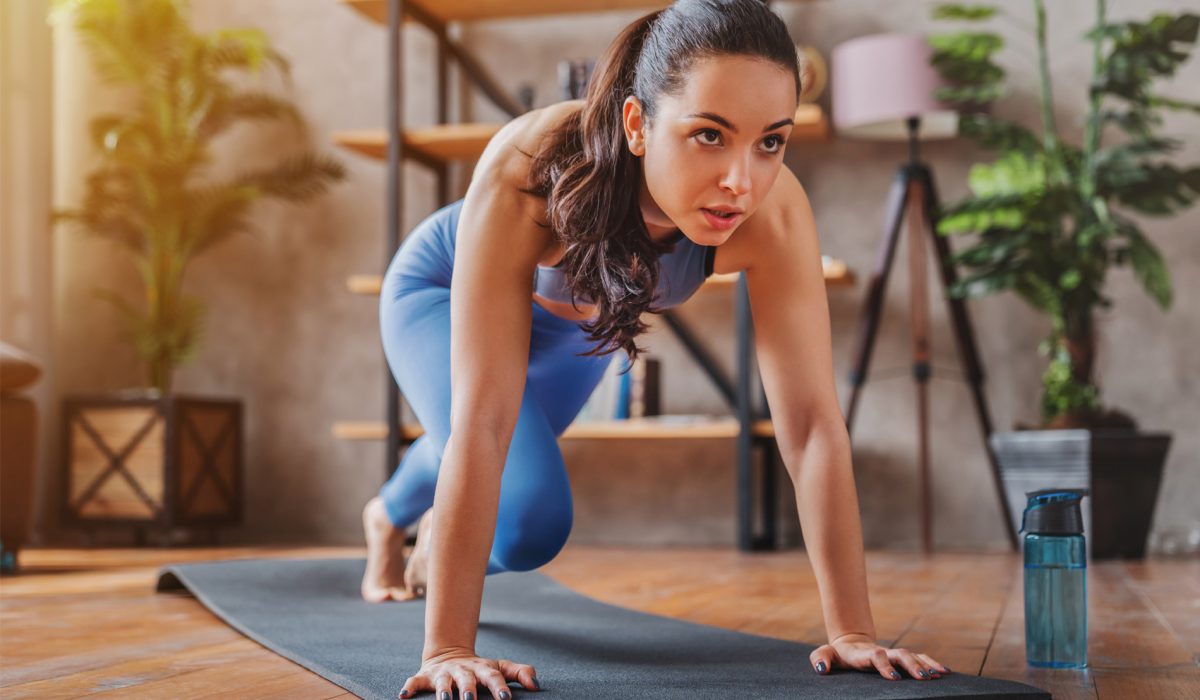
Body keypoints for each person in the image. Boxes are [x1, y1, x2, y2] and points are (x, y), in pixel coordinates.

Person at [361, 1, 951, 697]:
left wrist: (852, 631)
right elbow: (483, 422)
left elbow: (814, 428)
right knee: (528, 513)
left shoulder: (772, 213)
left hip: (580, 325)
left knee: (518, 524)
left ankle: (410, 521)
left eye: (771, 141)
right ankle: (389, 519)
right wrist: (448, 649)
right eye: (710, 135)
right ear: (637, 125)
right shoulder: (530, 164)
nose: (742, 180)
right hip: (438, 292)